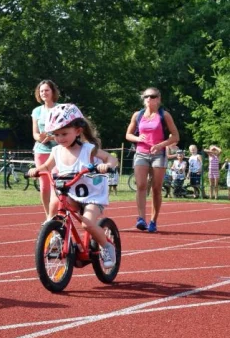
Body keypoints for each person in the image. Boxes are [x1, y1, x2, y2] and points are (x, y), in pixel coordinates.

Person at [26, 104, 118, 268]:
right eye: (56, 135)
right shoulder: (56, 151)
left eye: (64, 134)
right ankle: (55, 235)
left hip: (92, 197)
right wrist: (36, 170)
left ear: (78, 131)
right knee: (55, 204)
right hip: (73, 194)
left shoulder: (88, 149)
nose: (60, 138)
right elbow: (46, 167)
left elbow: (111, 159)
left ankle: (107, 246)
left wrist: (107, 165)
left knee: (87, 224)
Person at [125, 87, 180, 233]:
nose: (149, 99)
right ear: (143, 99)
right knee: (141, 185)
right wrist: (137, 138)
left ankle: (153, 221)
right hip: (141, 153)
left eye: (153, 96)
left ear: (159, 99)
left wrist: (161, 145)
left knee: (156, 188)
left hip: (158, 154)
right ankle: (141, 218)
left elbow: (175, 136)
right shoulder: (138, 115)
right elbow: (128, 135)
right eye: (146, 96)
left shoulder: (164, 115)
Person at [31, 80, 59, 219]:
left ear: (53, 91)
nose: (44, 93)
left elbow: (66, 131)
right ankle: (48, 216)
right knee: (44, 186)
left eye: (47, 90)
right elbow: (35, 133)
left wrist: (53, 137)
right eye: (41, 91)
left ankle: (55, 214)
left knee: (55, 184)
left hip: (57, 151)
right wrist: (40, 138)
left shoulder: (60, 108)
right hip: (41, 150)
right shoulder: (36, 111)